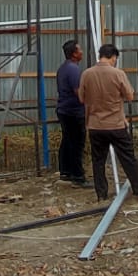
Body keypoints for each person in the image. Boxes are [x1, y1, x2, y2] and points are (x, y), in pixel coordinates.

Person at [76, 43, 138, 201]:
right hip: (116, 124)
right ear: (113, 57)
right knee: (128, 158)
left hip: (95, 125)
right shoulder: (118, 74)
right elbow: (130, 96)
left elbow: (81, 98)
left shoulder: (86, 74)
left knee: (98, 161)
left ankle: (101, 194)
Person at [53, 40, 88, 185]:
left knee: (67, 141)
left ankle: (65, 171)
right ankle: (77, 175)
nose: (82, 52)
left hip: (64, 110)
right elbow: (78, 92)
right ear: (74, 54)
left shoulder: (63, 68)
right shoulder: (74, 70)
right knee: (77, 143)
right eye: (80, 50)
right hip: (73, 111)